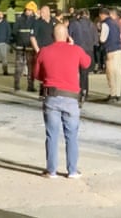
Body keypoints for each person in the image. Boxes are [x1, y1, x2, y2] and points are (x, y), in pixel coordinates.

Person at [34, 23, 91, 179]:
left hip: (51, 97)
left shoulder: (44, 51)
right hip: (71, 99)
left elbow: (37, 75)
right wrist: (73, 46)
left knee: (52, 135)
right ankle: (72, 171)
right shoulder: (76, 50)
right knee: (71, 135)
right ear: (67, 36)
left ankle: (51, 171)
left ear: (52, 36)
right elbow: (87, 63)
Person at [68, 9, 98, 104]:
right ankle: (85, 91)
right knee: (85, 73)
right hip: (89, 51)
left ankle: (77, 91)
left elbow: (68, 36)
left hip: (77, 50)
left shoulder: (73, 24)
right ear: (88, 16)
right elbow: (95, 41)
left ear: (79, 16)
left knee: (76, 72)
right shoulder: (92, 25)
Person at [30, 5, 57, 96]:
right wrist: (37, 50)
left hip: (53, 50)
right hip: (43, 50)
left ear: (48, 12)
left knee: (53, 70)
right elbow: (32, 37)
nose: (41, 14)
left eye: (43, 12)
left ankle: (52, 89)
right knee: (43, 71)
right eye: (40, 12)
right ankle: (43, 91)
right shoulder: (37, 23)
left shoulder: (54, 21)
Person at [99, 8, 121, 102]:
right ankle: (118, 94)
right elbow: (120, 36)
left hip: (111, 50)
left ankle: (112, 94)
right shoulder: (116, 24)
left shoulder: (105, 24)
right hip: (120, 50)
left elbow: (103, 39)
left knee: (111, 73)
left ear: (102, 15)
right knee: (118, 73)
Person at [12, 1, 37, 91]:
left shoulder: (34, 20)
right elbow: (14, 32)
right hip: (22, 46)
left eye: (30, 10)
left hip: (29, 46)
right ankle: (17, 85)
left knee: (30, 67)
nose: (28, 11)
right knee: (19, 67)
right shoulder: (21, 19)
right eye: (27, 10)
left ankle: (30, 86)